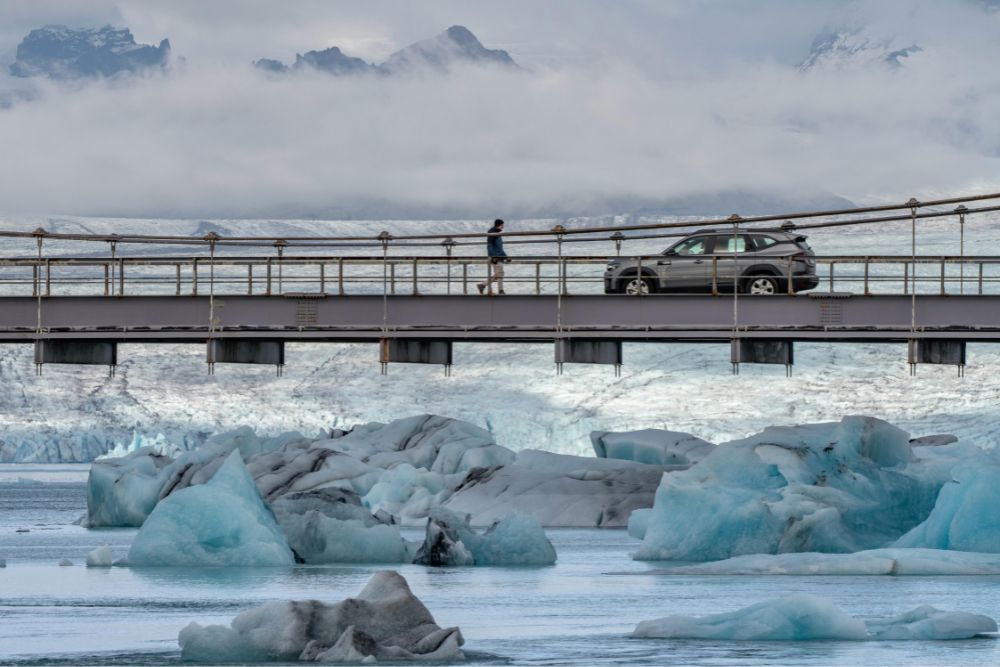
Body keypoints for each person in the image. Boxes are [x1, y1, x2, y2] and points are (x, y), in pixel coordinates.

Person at [477, 219, 509, 294]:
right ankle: (499, 290)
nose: (503, 226)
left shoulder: (496, 233)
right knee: (500, 273)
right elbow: (490, 246)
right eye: (502, 225)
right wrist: (492, 257)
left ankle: (483, 285)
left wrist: (505, 257)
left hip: (498, 257)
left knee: (499, 273)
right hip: (496, 257)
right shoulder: (493, 233)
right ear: (500, 225)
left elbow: (499, 248)